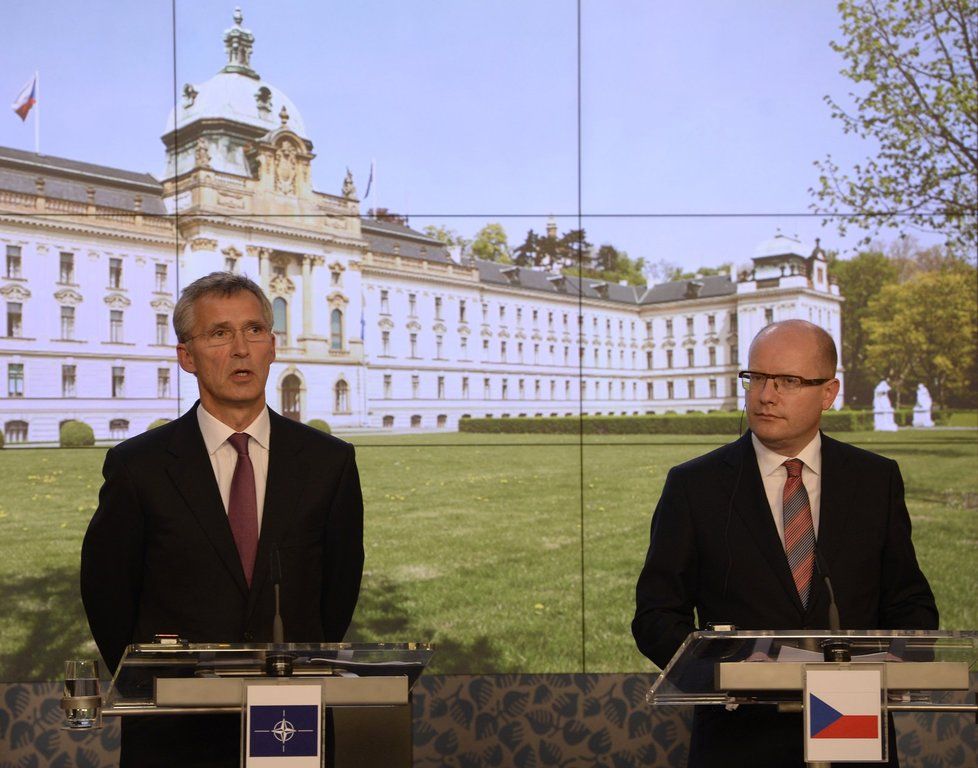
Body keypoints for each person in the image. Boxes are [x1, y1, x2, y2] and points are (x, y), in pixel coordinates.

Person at [81, 272, 364, 767]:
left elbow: (337, 592)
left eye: (255, 330)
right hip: (174, 731)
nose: (240, 349)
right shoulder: (138, 466)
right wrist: (157, 683)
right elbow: (107, 594)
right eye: (219, 333)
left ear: (272, 348)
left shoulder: (329, 462)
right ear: (186, 357)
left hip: (290, 723)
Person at [632, 319, 937, 768]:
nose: (765, 394)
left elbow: (910, 600)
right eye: (755, 377)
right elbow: (656, 616)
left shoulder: (875, 479)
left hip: (853, 736)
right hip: (739, 743)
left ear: (829, 393)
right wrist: (723, 677)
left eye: (787, 381)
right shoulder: (694, 485)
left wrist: (902, 656)